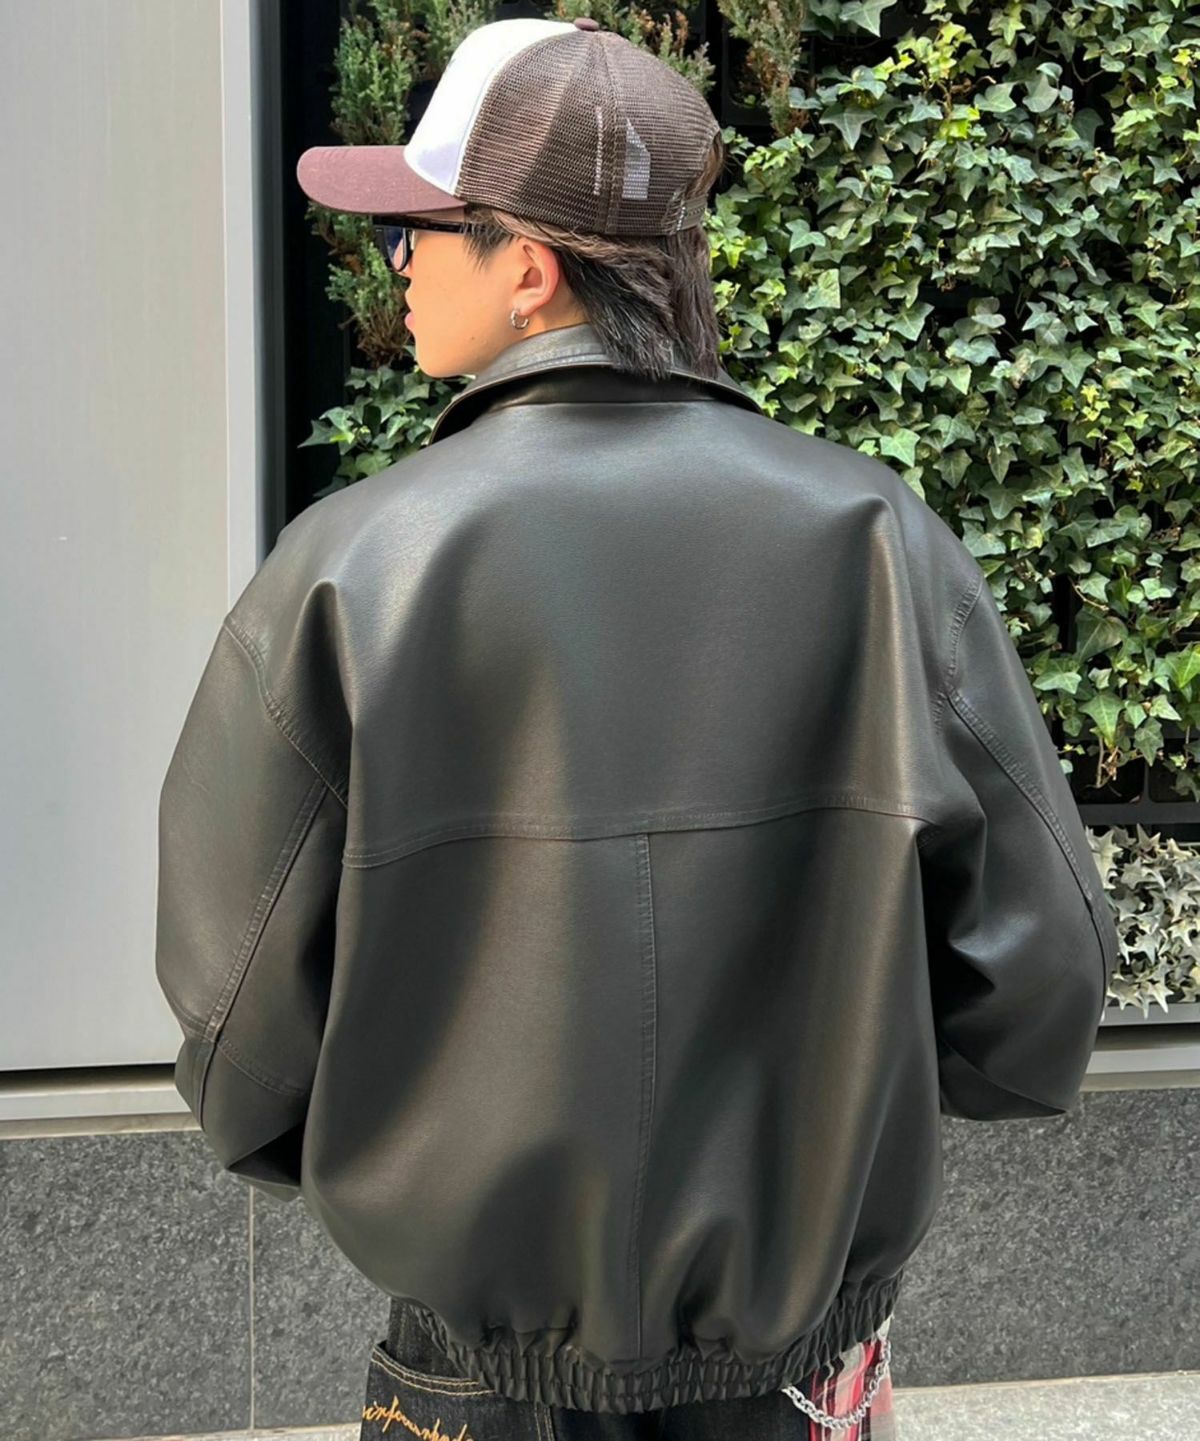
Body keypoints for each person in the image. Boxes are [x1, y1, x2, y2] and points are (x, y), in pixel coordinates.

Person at [154, 16, 1118, 1441]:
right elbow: (1040, 995)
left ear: (530, 267)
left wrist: (407, 1146)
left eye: (418, 230)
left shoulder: (348, 568)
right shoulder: (877, 542)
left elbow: (240, 1045)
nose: (396, 263)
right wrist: (850, 1111)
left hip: (478, 1387)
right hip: (794, 1384)